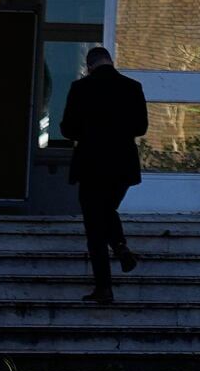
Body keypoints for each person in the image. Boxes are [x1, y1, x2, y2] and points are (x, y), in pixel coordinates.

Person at [58, 43, 149, 303]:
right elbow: (141, 127)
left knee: (95, 226)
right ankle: (119, 246)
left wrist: (89, 132)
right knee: (107, 209)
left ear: (89, 66)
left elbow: (67, 129)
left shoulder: (80, 89)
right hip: (122, 165)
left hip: (90, 164)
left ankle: (104, 287)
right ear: (110, 62)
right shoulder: (133, 87)